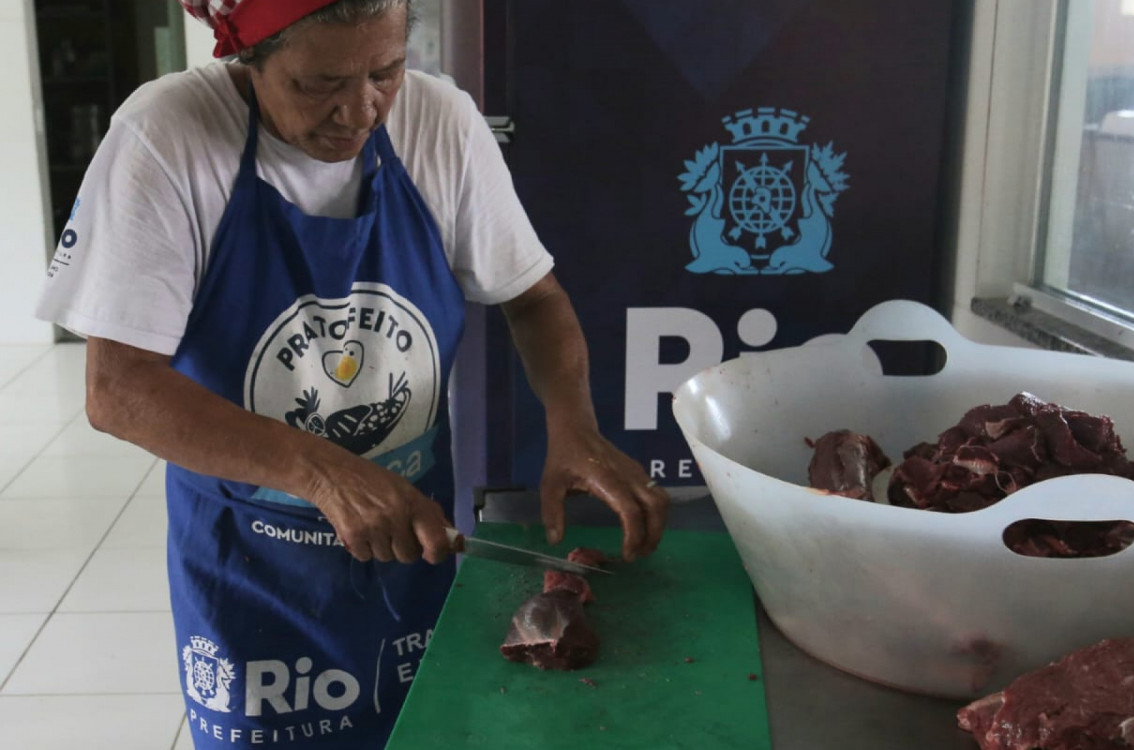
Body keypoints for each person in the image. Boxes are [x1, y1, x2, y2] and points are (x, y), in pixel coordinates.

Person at [33, 1, 670, 747]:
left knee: (431, 728)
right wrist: (324, 473)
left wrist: (575, 425)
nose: (360, 110)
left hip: (415, 530)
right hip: (251, 550)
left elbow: (535, 300)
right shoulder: (169, 134)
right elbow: (119, 391)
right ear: (249, 58)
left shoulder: (439, 121)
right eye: (319, 82)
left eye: (386, 71)